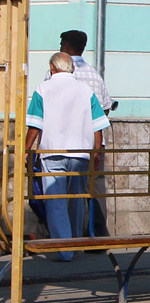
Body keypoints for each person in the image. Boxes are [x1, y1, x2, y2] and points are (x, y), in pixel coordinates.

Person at [26, 53, 110, 261]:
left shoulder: (42, 89)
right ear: (71, 69)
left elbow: (35, 124)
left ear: (52, 68)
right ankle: (74, 242)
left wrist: (27, 150)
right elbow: (98, 125)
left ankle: (64, 249)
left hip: (52, 152)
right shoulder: (85, 90)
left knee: (56, 201)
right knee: (77, 199)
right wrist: (96, 152)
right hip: (81, 153)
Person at [48, 30, 114, 236]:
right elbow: (104, 109)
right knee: (93, 189)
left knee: (54, 192)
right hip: (91, 144)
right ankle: (97, 234)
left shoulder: (56, 73)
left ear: (67, 45)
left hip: (59, 142)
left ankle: (55, 237)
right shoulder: (95, 75)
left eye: (61, 43)